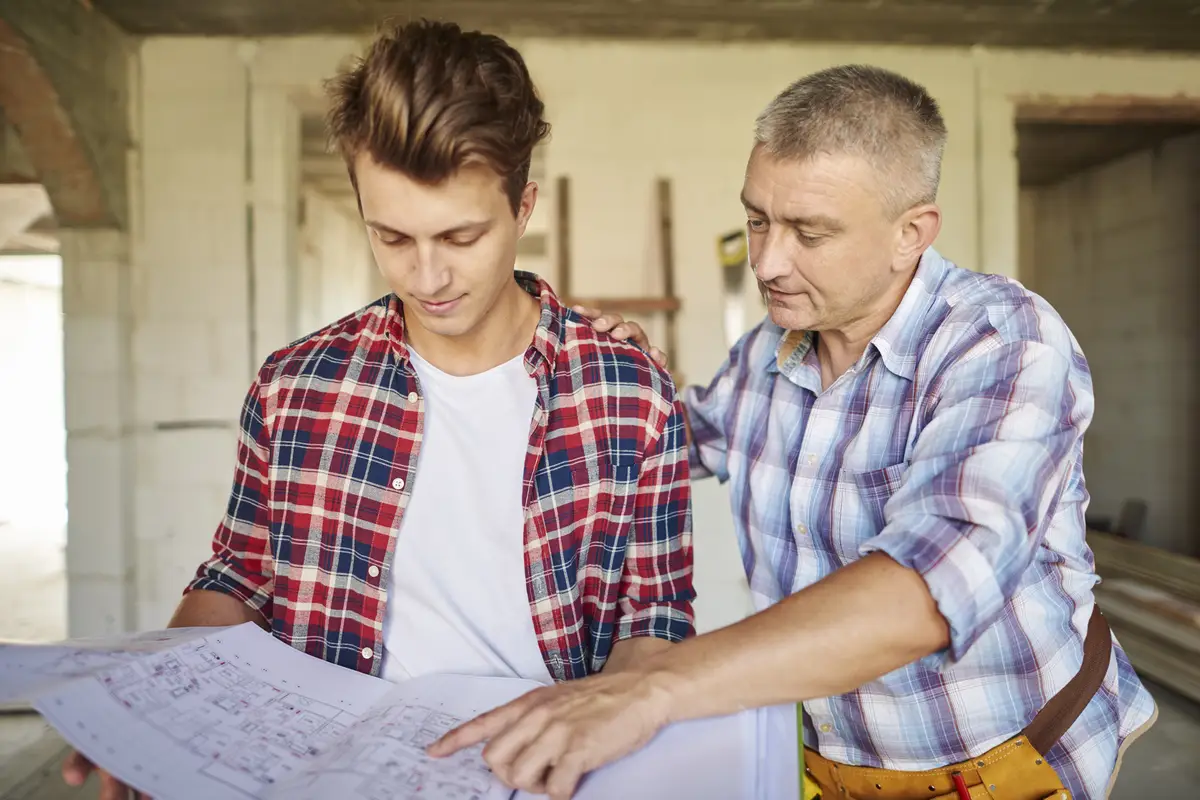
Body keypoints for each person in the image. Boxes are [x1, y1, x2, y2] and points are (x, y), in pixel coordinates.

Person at [429, 65, 1158, 800]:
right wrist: (623, 380)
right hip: (828, 766)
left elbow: (927, 592)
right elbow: (660, 443)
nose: (767, 261)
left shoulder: (1003, 343)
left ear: (911, 233)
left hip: (1009, 768)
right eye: (757, 220)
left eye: (810, 233)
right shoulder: (765, 356)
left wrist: (652, 688)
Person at [62, 19, 694, 798]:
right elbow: (239, 576)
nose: (428, 277)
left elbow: (654, 621)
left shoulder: (630, 396)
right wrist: (150, 705)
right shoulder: (294, 386)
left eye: (460, 236)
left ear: (523, 206)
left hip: (542, 780)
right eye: (392, 237)